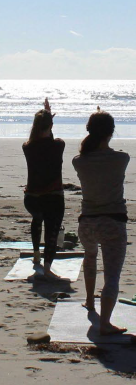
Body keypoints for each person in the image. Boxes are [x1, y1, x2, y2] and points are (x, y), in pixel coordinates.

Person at [72, 108, 130, 336]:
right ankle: (105, 323)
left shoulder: (80, 161)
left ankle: (89, 299)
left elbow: (88, 152)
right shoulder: (121, 159)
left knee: (90, 258)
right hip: (112, 223)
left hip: (87, 223)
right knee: (112, 275)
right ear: (111, 132)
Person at [22, 98, 65, 278]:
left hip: (31, 199)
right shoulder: (59, 145)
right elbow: (50, 143)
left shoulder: (27, 147)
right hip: (52, 197)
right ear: (50, 125)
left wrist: (47, 118)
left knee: (37, 219)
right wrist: (49, 119)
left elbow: (43, 141)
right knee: (52, 230)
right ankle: (47, 267)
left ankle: (36, 254)